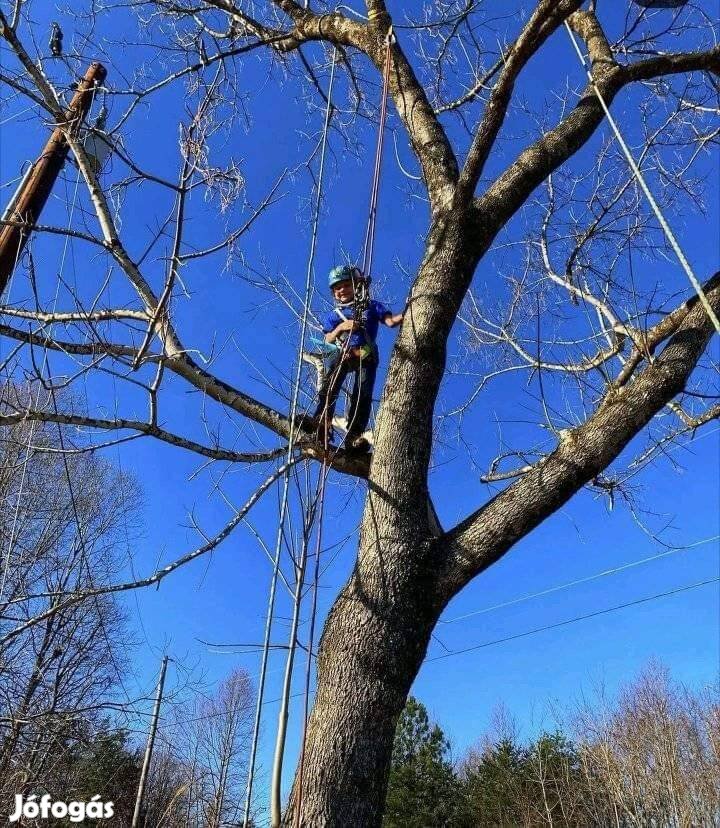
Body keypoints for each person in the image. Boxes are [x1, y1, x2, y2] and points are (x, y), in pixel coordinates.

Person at [306, 265, 403, 452]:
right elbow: (328, 338)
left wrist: (407, 312)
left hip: (366, 354)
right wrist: (342, 327)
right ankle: (321, 421)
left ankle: (354, 435)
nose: (341, 290)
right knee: (330, 385)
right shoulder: (336, 315)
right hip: (344, 353)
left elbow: (391, 322)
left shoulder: (372, 306)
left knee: (362, 395)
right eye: (337, 288)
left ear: (357, 286)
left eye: (345, 286)